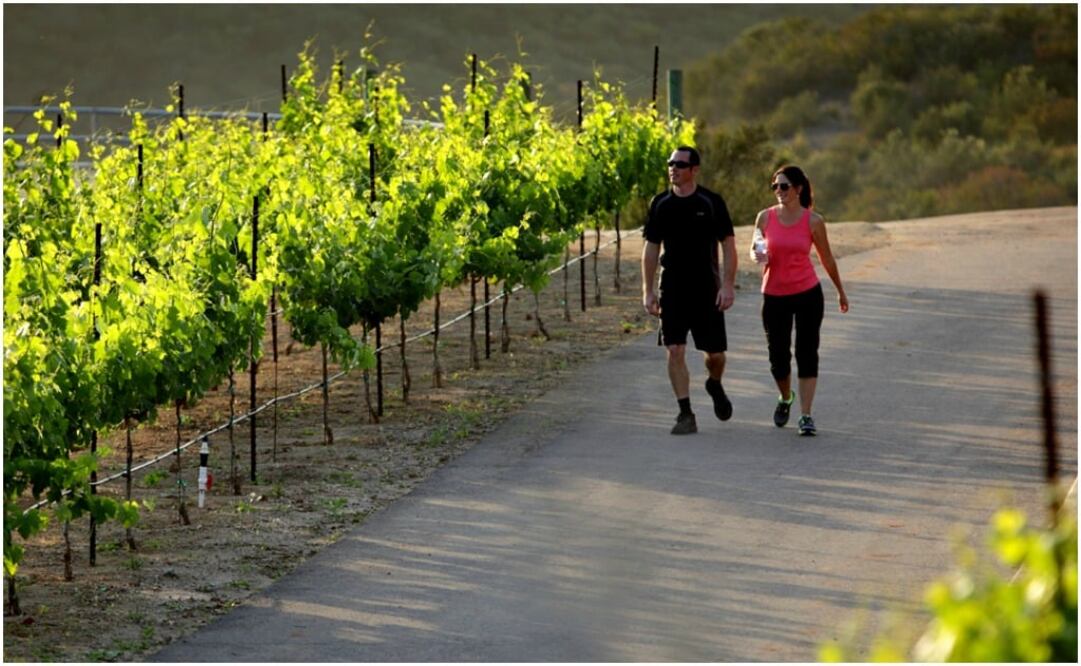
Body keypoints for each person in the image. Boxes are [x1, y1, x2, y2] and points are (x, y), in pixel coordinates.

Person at [642, 146, 737, 435]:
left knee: (715, 354)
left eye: (680, 165)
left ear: (694, 170)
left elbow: (728, 245)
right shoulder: (660, 204)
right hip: (672, 287)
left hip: (706, 287)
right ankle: (685, 413)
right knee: (675, 348)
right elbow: (650, 248)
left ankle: (714, 383)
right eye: (670, 164)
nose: (674, 169)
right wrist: (648, 290)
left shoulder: (711, 202)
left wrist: (728, 285)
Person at [750, 165, 848, 436]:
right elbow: (756, 246)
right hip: (774, 296)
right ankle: (785, 397)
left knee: (807, 353)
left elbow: (826, 258)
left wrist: (840, 290)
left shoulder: (813, 221)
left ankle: (806, 415)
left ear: (798, 189)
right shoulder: (765, 218)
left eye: (784, 186)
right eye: (775, 187)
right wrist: (758, 253)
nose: (779, 191)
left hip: (807, 294)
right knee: (778, 358)